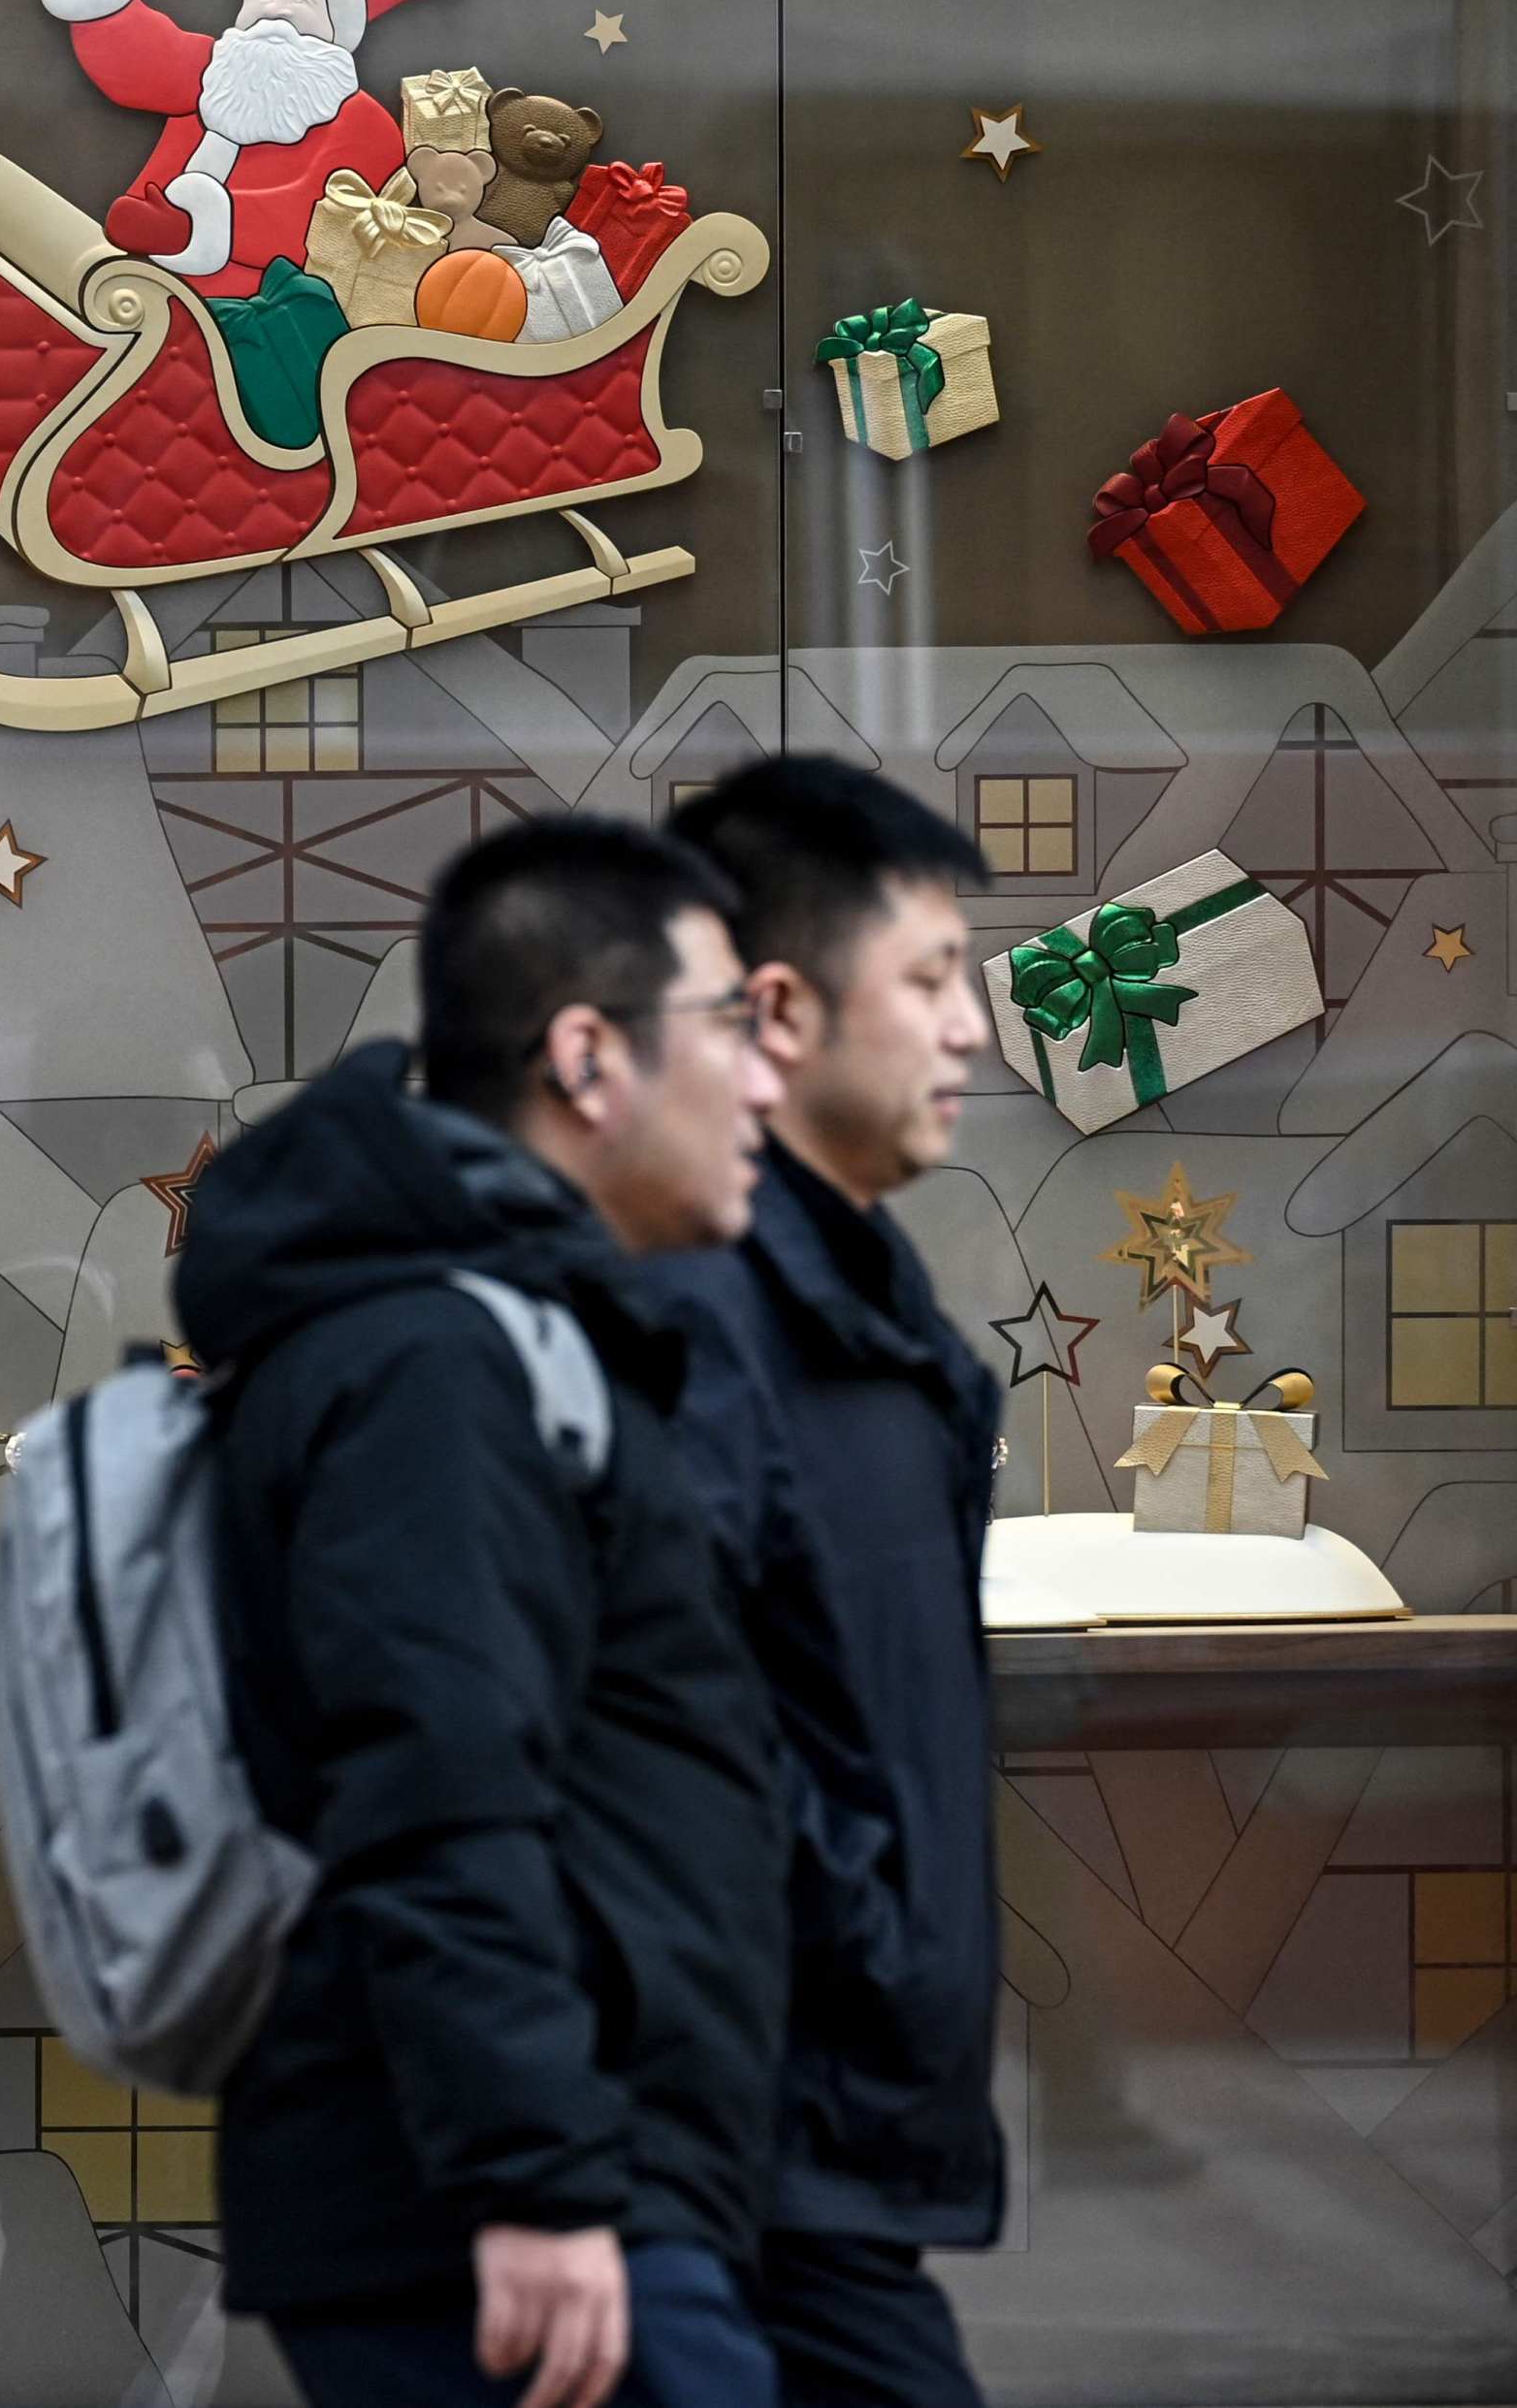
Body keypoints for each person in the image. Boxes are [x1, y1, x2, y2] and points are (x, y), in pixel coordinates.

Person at [175, 816, 791, 2408]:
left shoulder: (484, 1334)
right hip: (494, 2219)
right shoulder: (433, 1364)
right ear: (586, 1055)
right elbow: (433, 1773)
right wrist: (538, 2180)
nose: (768, 1083)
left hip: (555, 2180)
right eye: (732, 1025)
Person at [659, 759, 1008, 2406]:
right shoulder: (691, 1309)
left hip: (827, 2139)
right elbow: (664, 1722)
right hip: (722, 2150)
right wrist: (863, 1932)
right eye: (931, 982)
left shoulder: (872, 1310)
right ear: (779, 1012)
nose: (972, 1034)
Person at [39, 0, 471, 286]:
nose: (275, 10)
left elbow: (331, 214)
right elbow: (137, 58)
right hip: (137, 279)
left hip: (263, 297)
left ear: (337, 26)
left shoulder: (361, 121)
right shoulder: (215, 68)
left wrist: (194, 226)